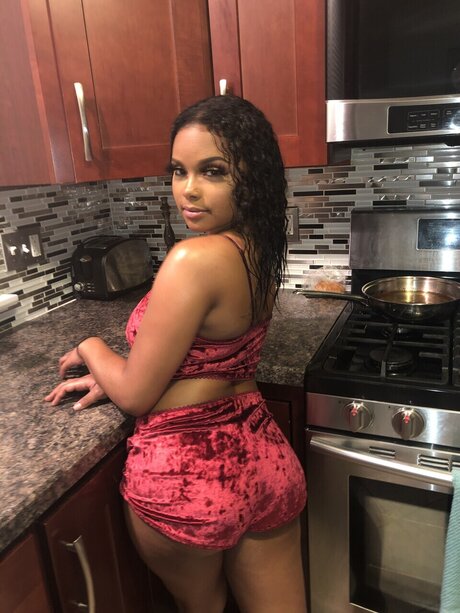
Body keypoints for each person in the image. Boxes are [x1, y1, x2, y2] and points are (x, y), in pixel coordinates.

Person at [45, 94, 307, 613]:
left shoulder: (192, 258)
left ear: (250, 176)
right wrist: (119, 373)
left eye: (212, 171)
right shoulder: (259, 248)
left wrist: (92, 348)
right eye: (178, 170)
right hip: (266, 460)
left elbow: (136, 397)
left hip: (188, 477)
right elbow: (209, 360)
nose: (188, 189)